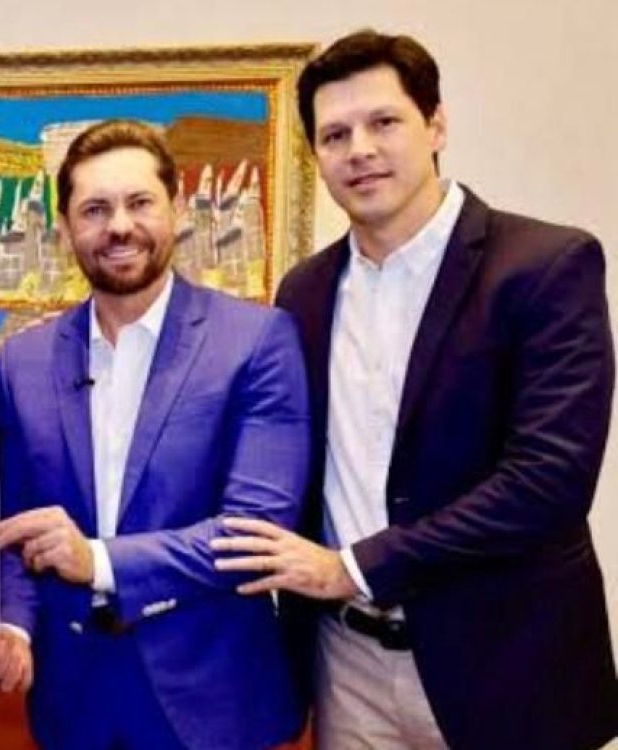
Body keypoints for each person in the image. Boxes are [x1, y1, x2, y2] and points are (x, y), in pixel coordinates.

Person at [212, 29, 618, 750]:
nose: (360, 149)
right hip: (345, 666)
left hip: (504, 663)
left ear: (435, 125)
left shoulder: (546, 266)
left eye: (384, 122)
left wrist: (355, 567)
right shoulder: (304, 291)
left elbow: (549, 482)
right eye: (335, 135)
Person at [0, 119, 310, 750]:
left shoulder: (258, 340)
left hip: (212, 701)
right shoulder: (23, 360)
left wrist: (96, 561)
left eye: (139, 202)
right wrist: (14, 625)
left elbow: (255, 531)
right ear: (64, 228)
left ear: (177, 210)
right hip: (72, 701)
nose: (119, 226)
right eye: (95, 209)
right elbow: (16, 520)